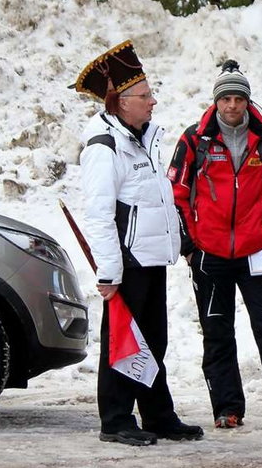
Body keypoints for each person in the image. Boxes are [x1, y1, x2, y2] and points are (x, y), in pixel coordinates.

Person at [168, 60, 262, 431]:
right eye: (227, 99)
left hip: (256, 254)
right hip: (210, 253)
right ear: (216, 102)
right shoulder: (194, 140)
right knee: (217, 334)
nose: (233, 106)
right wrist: (189, 245)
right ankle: (227, 408)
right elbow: (176, 195)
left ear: (248, 102)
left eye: (239, 99)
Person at [74, 40, 203, 446]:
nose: (153, 102)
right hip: (126, 262)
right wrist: (109, 270)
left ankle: (157, 414)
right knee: (123, 341)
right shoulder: (104, 147)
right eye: (145, 96)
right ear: (121, 102)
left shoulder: (142, 138)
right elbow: (98, 213)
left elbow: (156, 198)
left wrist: (178, 238)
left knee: (153, 340)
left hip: (149, 257)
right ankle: (115, 419)